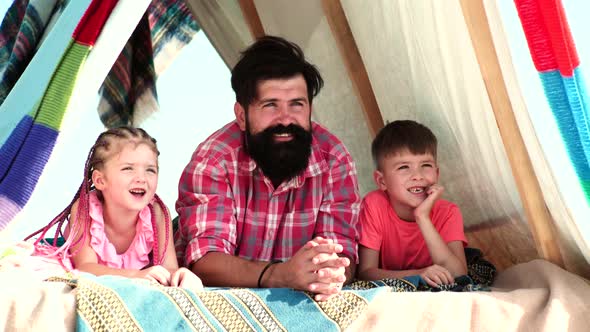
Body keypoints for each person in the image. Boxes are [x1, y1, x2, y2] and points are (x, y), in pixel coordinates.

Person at [175, 36, 360, 301]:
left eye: (297, 104)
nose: (286, 119)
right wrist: (282, 275)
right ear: (241, 115)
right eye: (271, 105)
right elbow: (204, 261)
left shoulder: (335, 160)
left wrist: (330, 271)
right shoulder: (214, 160)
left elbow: (343, 255)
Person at [26, 126, 202, 291]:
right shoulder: (84, 209)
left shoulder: (157, 213)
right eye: (128, 168)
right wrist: (136, 275)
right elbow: (85, 268)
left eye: (150, 170)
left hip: (133, 276)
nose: (141, 178)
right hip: (74, 265)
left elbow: (168, 268)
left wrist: (181, 276)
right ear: (100, 180)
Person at [357, 120, 467, 287]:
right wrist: (419, 274)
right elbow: (365, 273)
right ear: (382, 181)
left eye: (426, 165)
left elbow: (458, 274)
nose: (418, 175)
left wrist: (422, 217)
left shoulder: (448, 212)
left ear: (437, 173)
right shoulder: (374, 205)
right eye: (403, 167)